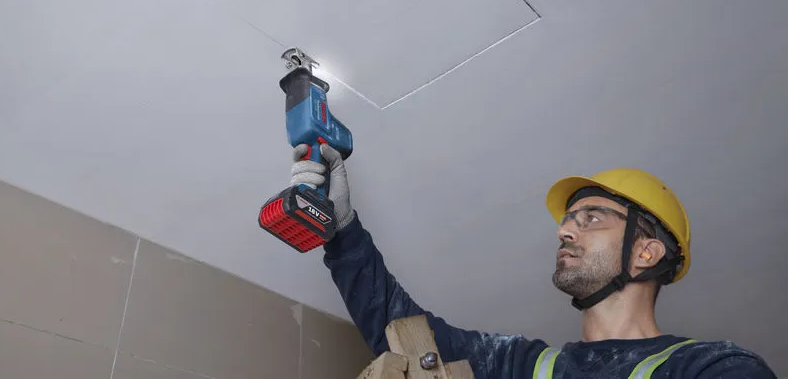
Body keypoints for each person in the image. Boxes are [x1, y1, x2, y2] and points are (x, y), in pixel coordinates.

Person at [289, 143, 777, 378]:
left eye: (591, 217)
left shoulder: (711, 368)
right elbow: (406, 335)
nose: (565, 229)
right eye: (568, 219)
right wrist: (343, 231)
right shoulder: (523, 365)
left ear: (646, 251)